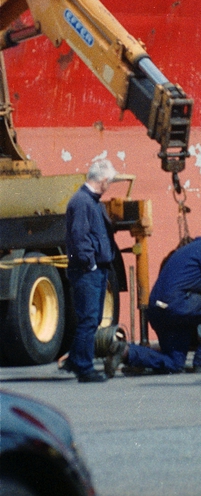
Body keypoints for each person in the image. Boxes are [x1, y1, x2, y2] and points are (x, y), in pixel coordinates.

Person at [106, 221, 201, 375]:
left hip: (159, 310)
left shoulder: (191, 249)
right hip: (176, 305)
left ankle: (126, 352)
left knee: (174, 363)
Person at [63, 158, 119, 382]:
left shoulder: (91, 202)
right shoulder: (82, 202)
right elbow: (79, 237)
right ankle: (84, 368)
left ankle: (74, 360)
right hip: (88, 271)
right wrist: (90, 263)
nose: (109, 186)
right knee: (89, 319)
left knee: (92, 319)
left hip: (96, 269)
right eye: (110, 182)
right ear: (103, 180)